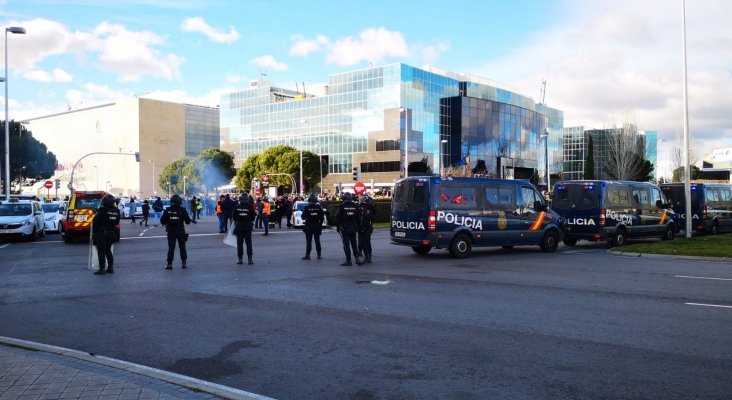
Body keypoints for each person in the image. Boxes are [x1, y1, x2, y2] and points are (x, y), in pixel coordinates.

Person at [160, 194, 194, 270]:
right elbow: (188, 222)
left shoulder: (167, 210)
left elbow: (162, 221)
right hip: (180, 231)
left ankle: (169, 264)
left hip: (171, 231)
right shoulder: (183, 210)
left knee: (171, 248)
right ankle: (184, 263)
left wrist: (167, 221)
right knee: (182, 247)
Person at [92, 194, 121, 275]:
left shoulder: (102, 210)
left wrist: (94, 232)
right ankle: (110, 268)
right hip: (111, 233)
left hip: (102, 233)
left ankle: (101, 269)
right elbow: (117, 222)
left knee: (101, 251)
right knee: (108, 250)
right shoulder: (116, 211)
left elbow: (96, 221)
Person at [335, 192, 361, 266]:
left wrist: (338, 228)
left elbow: (337, 218)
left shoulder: (342, 206)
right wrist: (358, 228)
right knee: (354, 244)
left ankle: (348, 261)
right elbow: (359, 218)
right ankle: (357, 258)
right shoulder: (355, 206)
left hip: (345, 228)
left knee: (346, 245)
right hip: (353, 227)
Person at [232, 193, 256, 265]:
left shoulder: (237, 206)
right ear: (247, 199)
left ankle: (240, 259)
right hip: (248, 226)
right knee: (248, 243)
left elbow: (234, 217)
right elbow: (253, 217)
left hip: (239, 226)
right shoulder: (250, 207)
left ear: (240, 199)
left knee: (239, 244)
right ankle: (250, 259)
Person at [301, 193, 325, 260]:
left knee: (309, 241)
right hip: (317, 226)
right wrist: (320, 225)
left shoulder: (306, 207)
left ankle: (307, 255)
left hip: (308, 226)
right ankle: (319, 255)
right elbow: (322, 218)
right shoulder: (319, 208)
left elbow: (302, 217)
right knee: (317, 240)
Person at [357, 195, 376, 264]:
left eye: (362, 199)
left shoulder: (369, 208)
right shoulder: (360, 207)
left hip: (367, 227)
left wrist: (362, 226)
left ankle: (368, 257)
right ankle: (367, 256)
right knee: (365, 242)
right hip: (362, 227)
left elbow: (367, 218)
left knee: (366, 241)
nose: (361, 200)